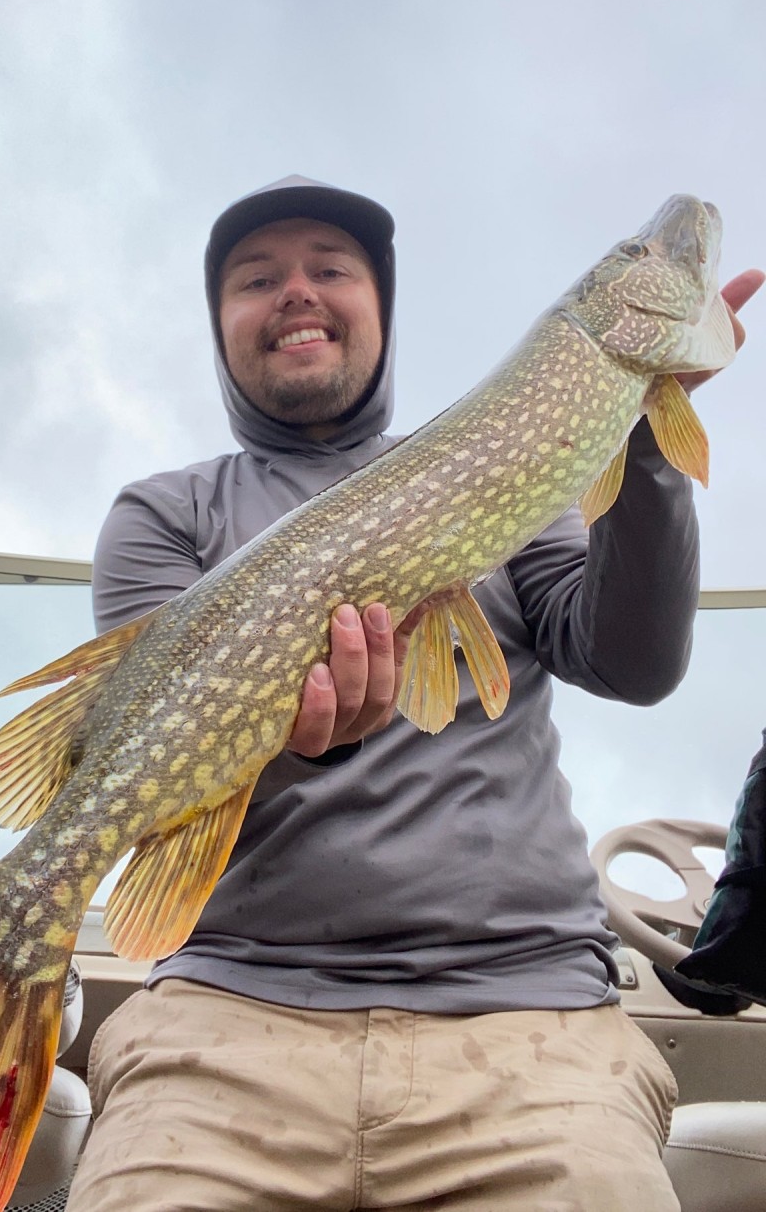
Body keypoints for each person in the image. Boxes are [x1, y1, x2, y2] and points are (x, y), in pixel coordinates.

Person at [67, 176, 759, 1211]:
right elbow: (154, 762)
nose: (296, 293)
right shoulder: (165, 513)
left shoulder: (512, 454)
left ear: (380, 311)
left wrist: (647, 449)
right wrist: (302, 740)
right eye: (258, 279)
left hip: (527, 1029)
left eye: (331, 271)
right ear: (221, 327)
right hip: (226, 1020)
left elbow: (631, 663)